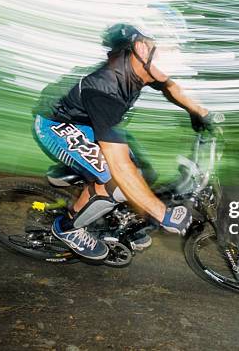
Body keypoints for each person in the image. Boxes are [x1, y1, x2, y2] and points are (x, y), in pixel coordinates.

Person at [33, 23, 219, 260]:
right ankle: (67, 228)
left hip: (90, 122)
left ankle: (117, 224)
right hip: (57, 125)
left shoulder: (143, 66)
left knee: (145, 173)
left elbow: (171, 88)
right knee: (116, 182)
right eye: (169, 51)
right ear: (142, 48)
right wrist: (161, 214)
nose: (176, 59)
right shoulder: (106, 87)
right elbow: (120, 168)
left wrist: (200, 113)